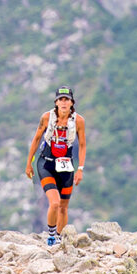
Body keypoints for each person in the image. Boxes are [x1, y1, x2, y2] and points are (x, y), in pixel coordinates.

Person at [25, 85, 86, 245]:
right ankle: (51, 236)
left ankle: (59, 238)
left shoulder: (78, 121)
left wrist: (80, 169)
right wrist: (29, 163)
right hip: (46, 164)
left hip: (66, 166)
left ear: (72, 102)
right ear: (56, 102)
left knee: (64, 206)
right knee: (55, 203)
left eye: (67, 99)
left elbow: (82, 145)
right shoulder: (47, 117)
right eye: (61, 99)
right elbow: (36, 139)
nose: (64, 102)